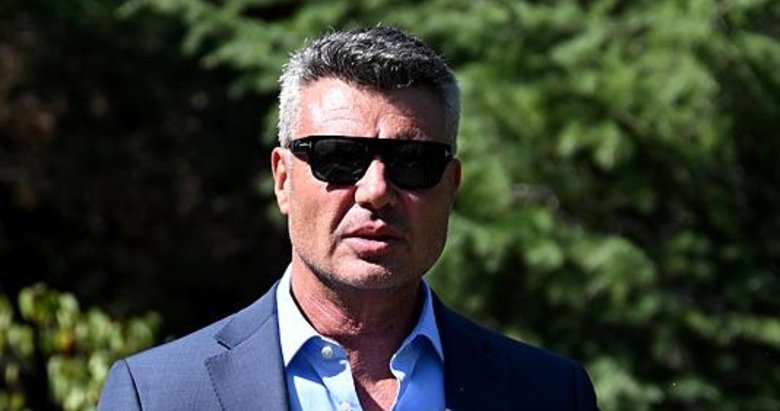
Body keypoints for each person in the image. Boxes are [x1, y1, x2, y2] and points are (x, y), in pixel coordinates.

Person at [98, 26, 599, 411]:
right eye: (338, 158)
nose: (376, 190)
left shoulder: (550, 393)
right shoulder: (157, 395)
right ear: (282, 179)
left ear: (451, 186)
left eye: (412, 163)